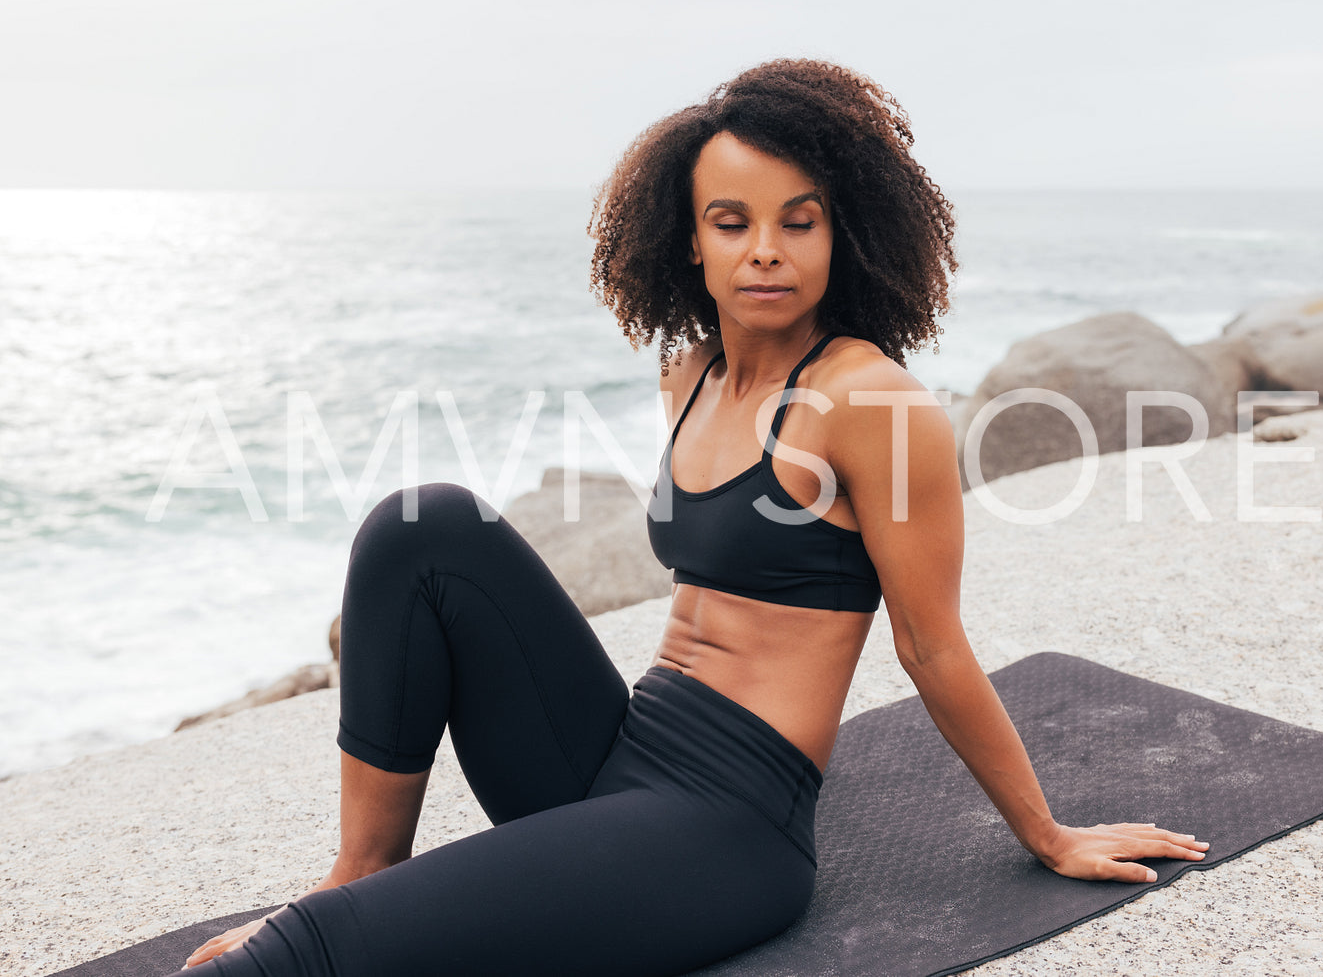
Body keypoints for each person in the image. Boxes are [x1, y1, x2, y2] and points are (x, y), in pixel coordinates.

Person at [181, 58, 1208, 976]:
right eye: (732, 221)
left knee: (301, 961)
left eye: (797, 220)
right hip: (618, 753)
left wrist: (1048, 831)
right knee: (422, 523)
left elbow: (931, 645)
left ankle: (332, 926)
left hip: (727, 826)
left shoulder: (867, 400)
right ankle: (358, 866)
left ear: (840, 234)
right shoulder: (690, 374)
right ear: (690, 240)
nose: (765, 250)